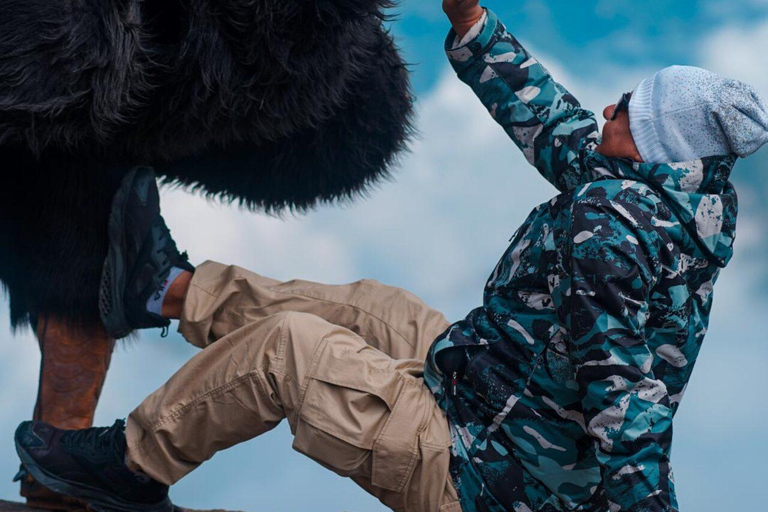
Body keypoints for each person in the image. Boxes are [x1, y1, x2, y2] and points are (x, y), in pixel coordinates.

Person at [15, 1, 768, 511]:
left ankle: (129, 469)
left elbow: (628, 398)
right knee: (374, 309)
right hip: (486, 388)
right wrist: (469, 20)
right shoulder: (667, 188)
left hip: (479, 475)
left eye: (630, 108)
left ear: (658, 138)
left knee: (290, 351)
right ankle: (166, 289)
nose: (610, 109)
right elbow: (551, 120)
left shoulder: (614, 229)